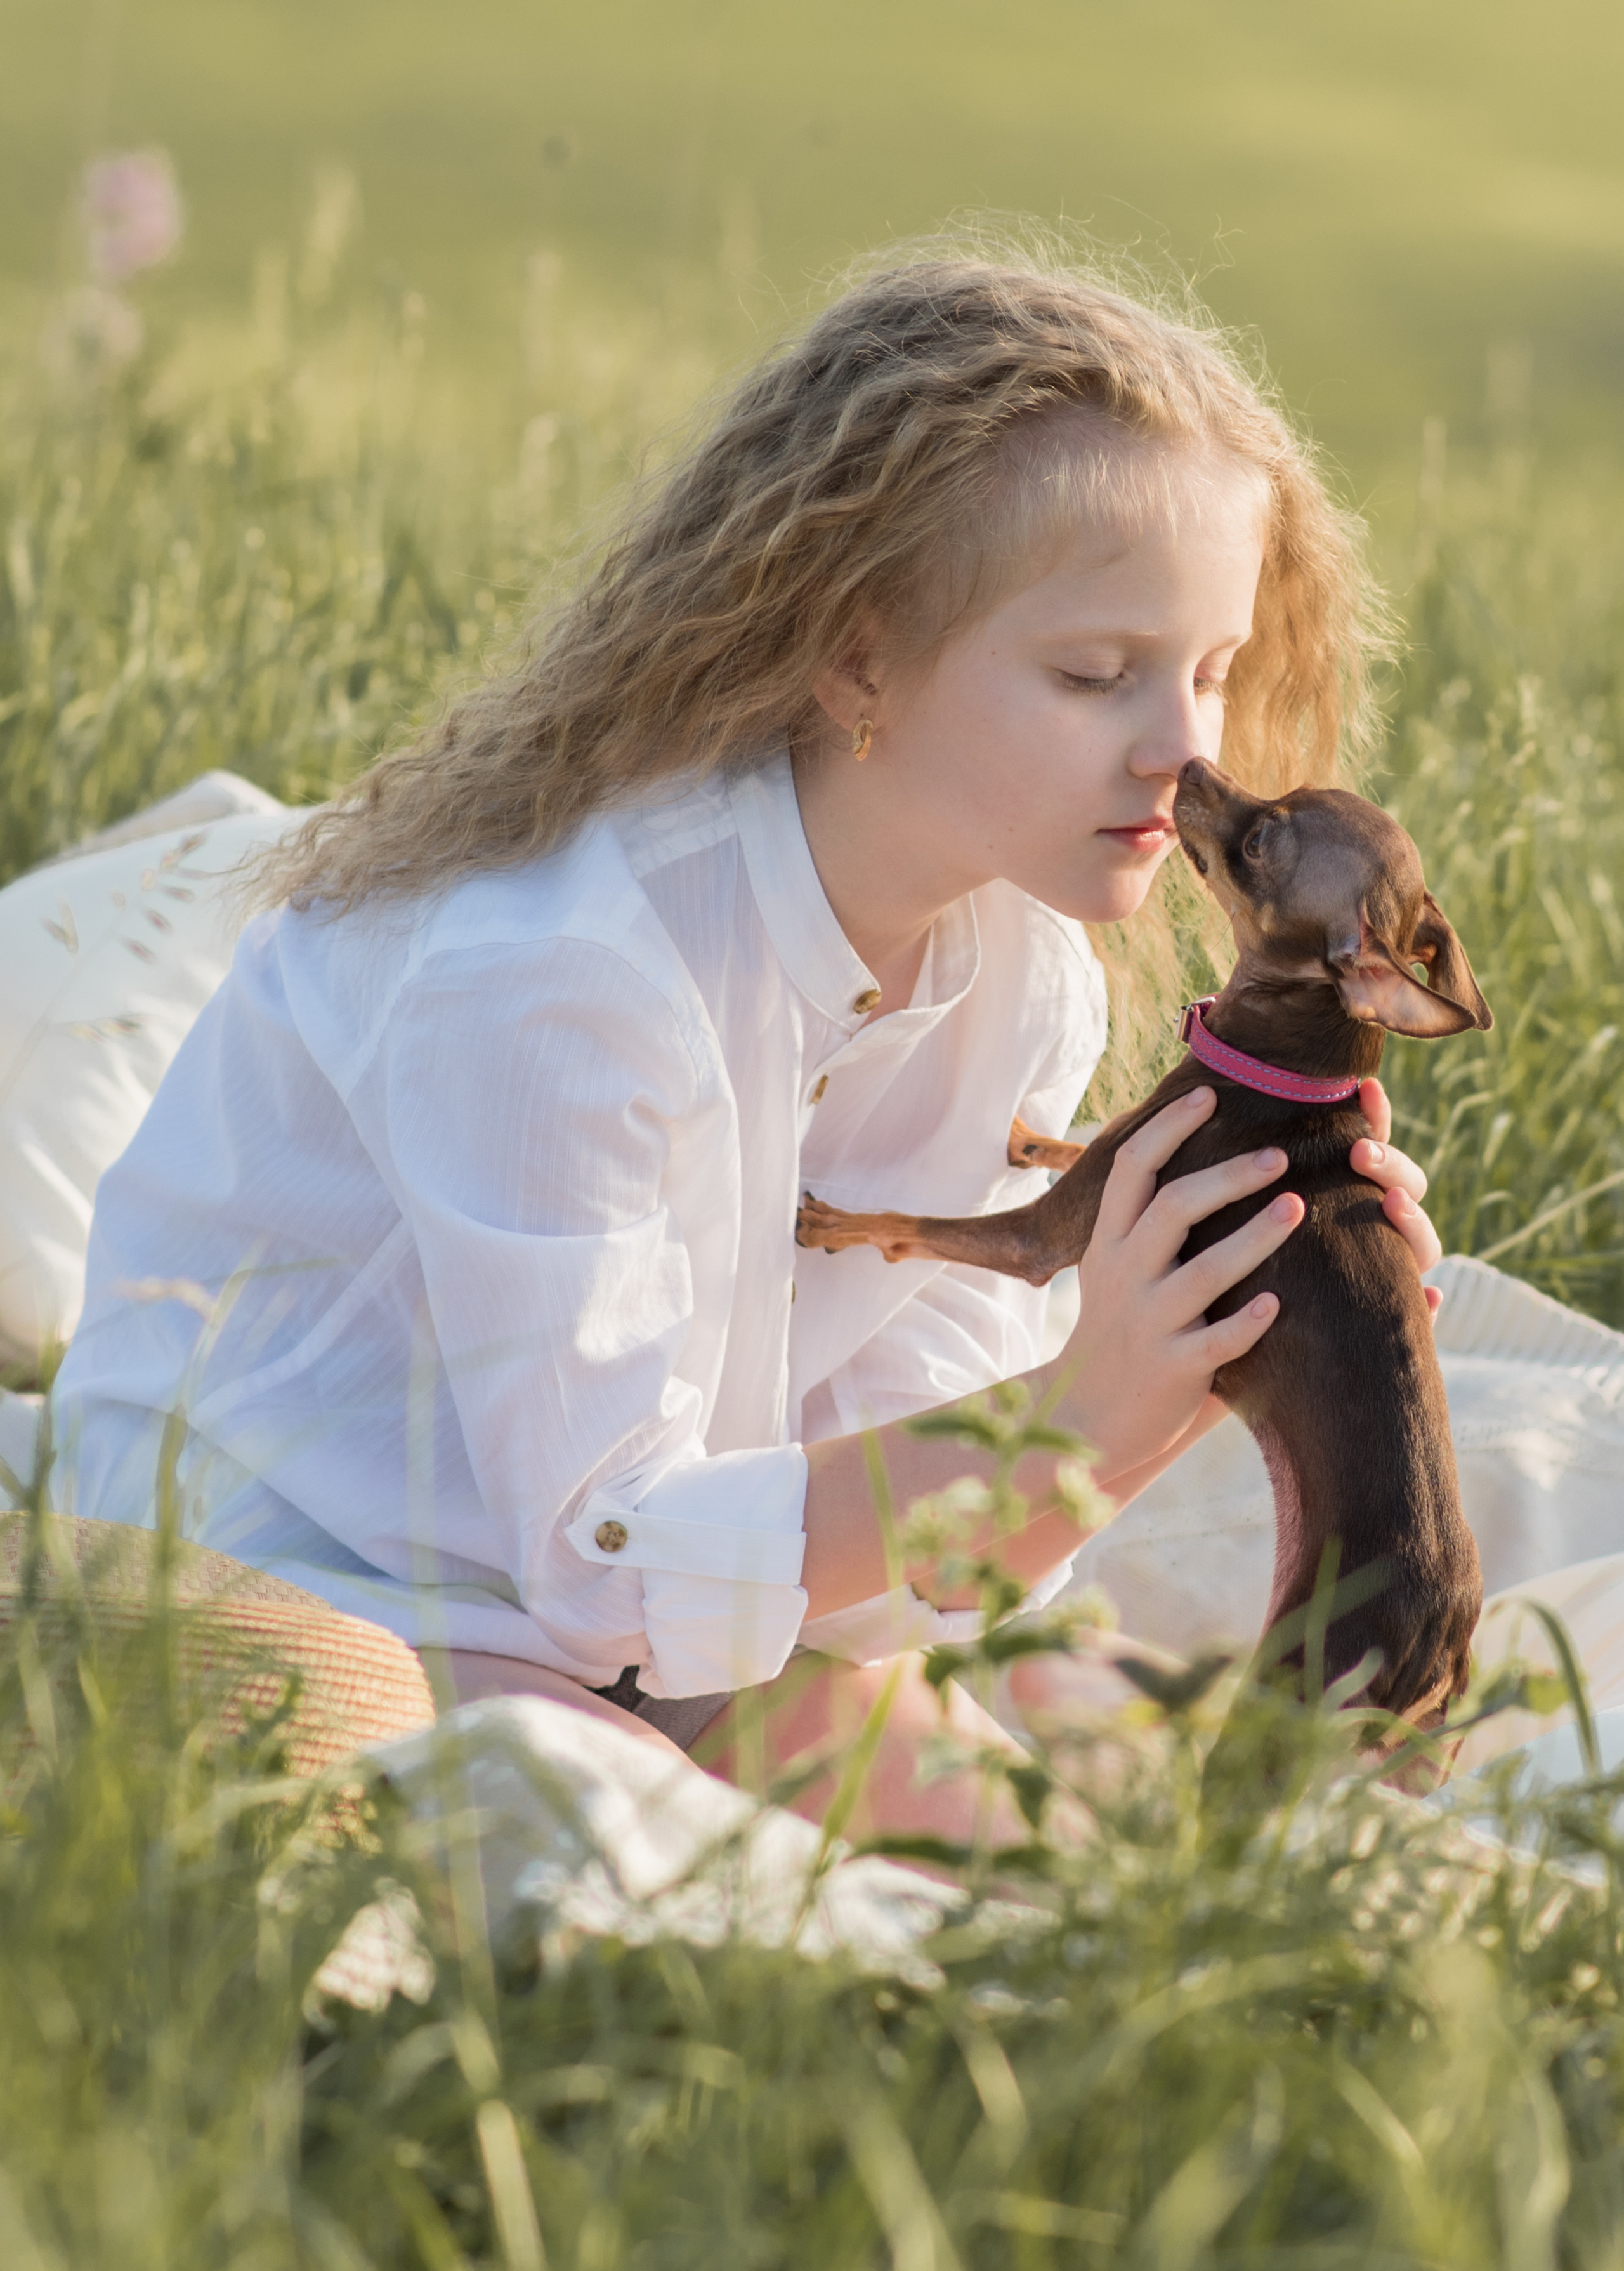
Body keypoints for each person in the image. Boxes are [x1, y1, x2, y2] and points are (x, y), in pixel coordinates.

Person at [49, 251, 1441, 1844]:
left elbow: (866, 1589)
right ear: (853, 661)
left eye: (1205, 672)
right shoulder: (554, 973)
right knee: (637, 1827)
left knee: (1066, 1859)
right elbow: (607, 1557)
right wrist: (1068, 1424)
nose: (1183, 749)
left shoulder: (1018, 982)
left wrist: (1202, 1347)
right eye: (1089, 674)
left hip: (655, 1612)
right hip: (297, 1571)